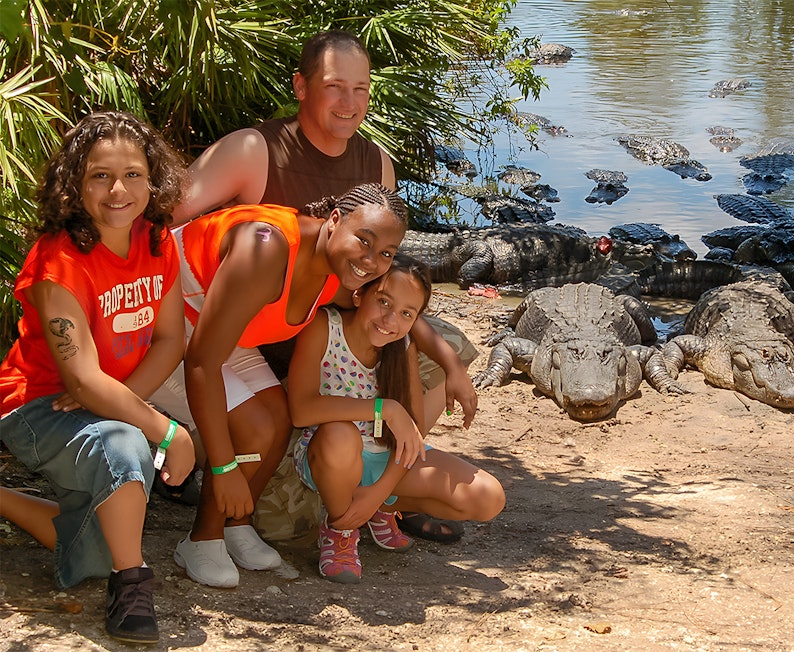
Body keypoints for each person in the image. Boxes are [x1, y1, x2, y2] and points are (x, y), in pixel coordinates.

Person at [170, 28, 476, 543]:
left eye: (361, 89)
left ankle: (383, 488)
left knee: (443, 346)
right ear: (301, 87)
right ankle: (218, 462)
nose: (348, 102)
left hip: (323, 322)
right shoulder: (255, 150)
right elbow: (164, 220)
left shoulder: (376, 163)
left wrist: (449, 363)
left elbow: (382, 276)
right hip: (247, 327)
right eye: (335, 86)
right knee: (278, 523)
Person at [149, 183, 410, 589]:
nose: (371, 261)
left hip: (215, 329)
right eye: (364, 240)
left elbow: (397, 305)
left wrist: (450, 362)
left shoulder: (341, 271)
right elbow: (201, 362)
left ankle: (235, 525)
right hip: (158, 329)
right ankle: (202, 539)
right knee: (252, 427)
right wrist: (224, 465)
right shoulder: (267, 248)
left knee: (278, 415)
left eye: (386, 254)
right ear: (335, 220)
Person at [0, 111, 195, 644]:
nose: (118, 190)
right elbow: (81, 381)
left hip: (98, 401)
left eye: (133, 174)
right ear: (74, 183)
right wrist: (168, 431)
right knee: (129, 445)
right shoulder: (56, 260)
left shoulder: (158, 243)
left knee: (94, 540)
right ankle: (131, 582)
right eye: (99, 175)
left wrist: (120, 401)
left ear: (153, 180)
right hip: (35, 406)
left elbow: (169, 341)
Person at [286, 256, 505, 582]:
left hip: (385, 459)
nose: (391, 320)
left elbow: (411, 434)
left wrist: (378, 493)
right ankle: (340, 528)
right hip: (329, 458)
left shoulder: (401, 346)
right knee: (341, 436)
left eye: (406, 313)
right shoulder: (324, 328)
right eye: (384, 302)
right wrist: (383, 408)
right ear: (359, 295)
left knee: (488, 498)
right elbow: (301, 409)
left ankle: (377, 510)